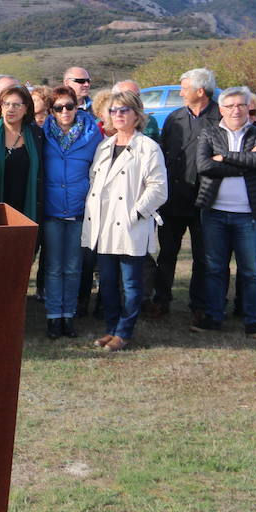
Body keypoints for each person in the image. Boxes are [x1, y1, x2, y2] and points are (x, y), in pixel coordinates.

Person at [83, 89, 167, 351]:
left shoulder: (148, 147)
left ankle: (124, 331)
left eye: (124, 110)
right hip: (104, 226)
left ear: (136, 114)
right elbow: (95, 183)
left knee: (131, 285)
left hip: (131, 225)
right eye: (113, 111)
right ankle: (111, 328)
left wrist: (136, 213)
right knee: (107, 284)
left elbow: (158, 188)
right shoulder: (104, 146)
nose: (118, 115)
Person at [191, 87, 256, 338]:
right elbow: (204, 166)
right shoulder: (209, 132)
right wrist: (245, 163)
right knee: (215, 268)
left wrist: (225, 157)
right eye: (230, 106)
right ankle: (214, 317)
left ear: (248, 108)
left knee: (250, 271)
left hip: (249, 215)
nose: (236, 110)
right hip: (214, 213)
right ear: (221, 109)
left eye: (241, 105)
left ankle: (253, 321)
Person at [154, 67, 221, 322]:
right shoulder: (174, 118)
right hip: (174, 198)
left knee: (203, 256)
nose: (180, 93)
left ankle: (199, 304)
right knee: (167, 253)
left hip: (206, 199)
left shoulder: (220, 117)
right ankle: (161, 301)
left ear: (200, 91)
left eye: (184, 88)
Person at [40, 84, 102, 339]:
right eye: (59, 107)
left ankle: (70, 316)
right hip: (53, 211)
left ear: (77, 106)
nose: (65, 111)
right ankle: (54, 317)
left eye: (69, 106)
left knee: (74, 267)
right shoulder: (42, 134)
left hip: (79, 210)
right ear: (52, 111)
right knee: (54, 267)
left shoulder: (92, 134)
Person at [0, 85, 44, 221]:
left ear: (26, 109)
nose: (10, 109)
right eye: (6, 104)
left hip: (26, 206)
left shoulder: (37, 135)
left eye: (17, 105)